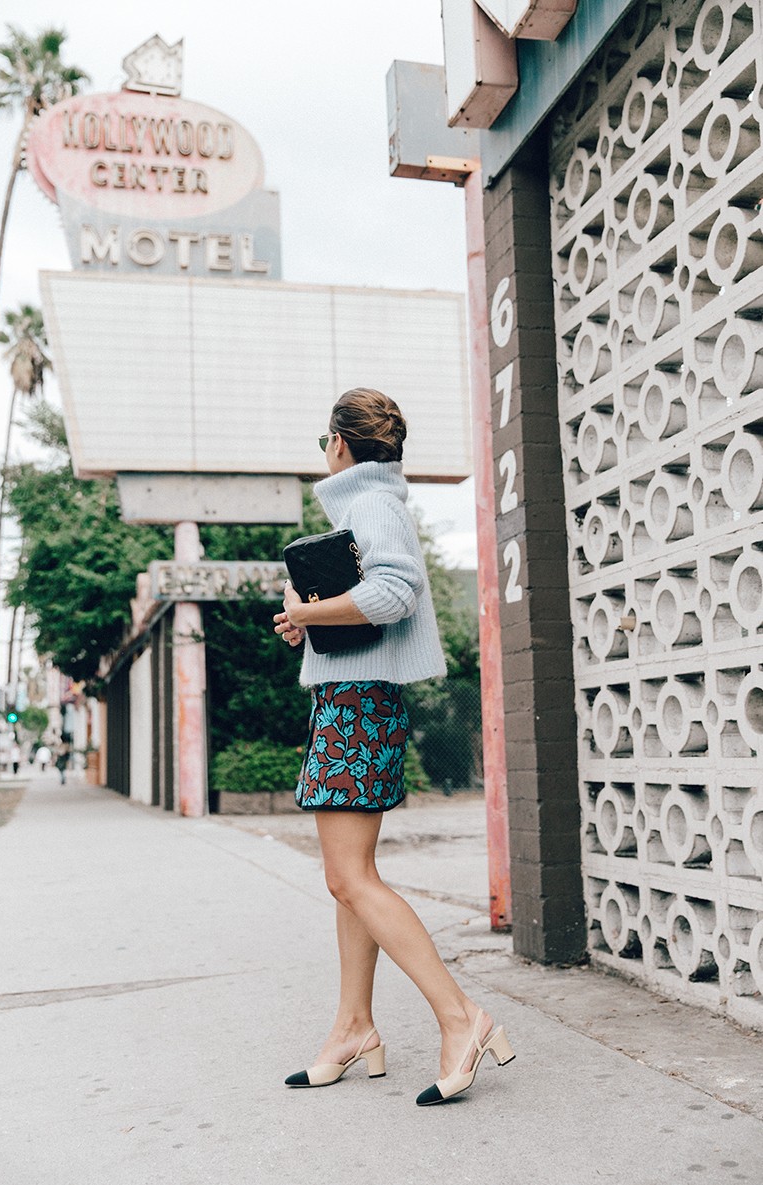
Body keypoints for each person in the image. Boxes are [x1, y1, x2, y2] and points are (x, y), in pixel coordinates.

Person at [273, 387, 514, 1106]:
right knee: (351, 876)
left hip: (355, 707)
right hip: (352, 700)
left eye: (326, 440)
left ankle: (460, 1016)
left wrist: (309, 609)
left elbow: (396, 590)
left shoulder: (369, 506)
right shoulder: (369, 504)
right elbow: (372, 602)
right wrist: (309, 623)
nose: (325, 451)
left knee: (350, 878)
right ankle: (353, 1027)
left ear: (339, 444)